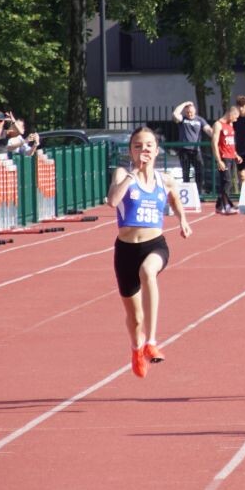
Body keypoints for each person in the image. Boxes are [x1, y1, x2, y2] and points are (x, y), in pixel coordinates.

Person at [106, 127, 193, 374]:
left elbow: (175, 198)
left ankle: (152, 342)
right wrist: (132, 174)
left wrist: (182, 220)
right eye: (137, 146)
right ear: (130, 151)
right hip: (125, 251)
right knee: (135, 319)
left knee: (148, 272)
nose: (143, 150)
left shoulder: (164, 179)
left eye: (148, 145)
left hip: (155, 245)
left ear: (156, 150)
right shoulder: (123, 173)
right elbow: (112, 201)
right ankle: (137, 348)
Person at [172, 101, 213, 189]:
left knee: (200, 171)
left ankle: (199, 192)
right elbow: (175, 114)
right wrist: (184, 104)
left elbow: (208, 130)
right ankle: (187, 190)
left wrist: (216, 136)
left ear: (195, 111)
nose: (189, 114)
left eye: (191, 112)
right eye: (187, 112)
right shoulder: (182, 119)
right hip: (184, 150)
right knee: (186, 172)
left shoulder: (200, 120)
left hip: (195, 150)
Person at [211, 104, 240, 214]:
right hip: (224, 157)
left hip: (231, 157)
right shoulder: (218, 125)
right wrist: (219, 160)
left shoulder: (231, 125)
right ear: (230, 114)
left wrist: (236, 154)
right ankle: (226, 205)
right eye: (235, 117)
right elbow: (214, 143)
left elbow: (231, 143)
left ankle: (219, 205)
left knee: (228, 182)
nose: (236, 119)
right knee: (226, 181)